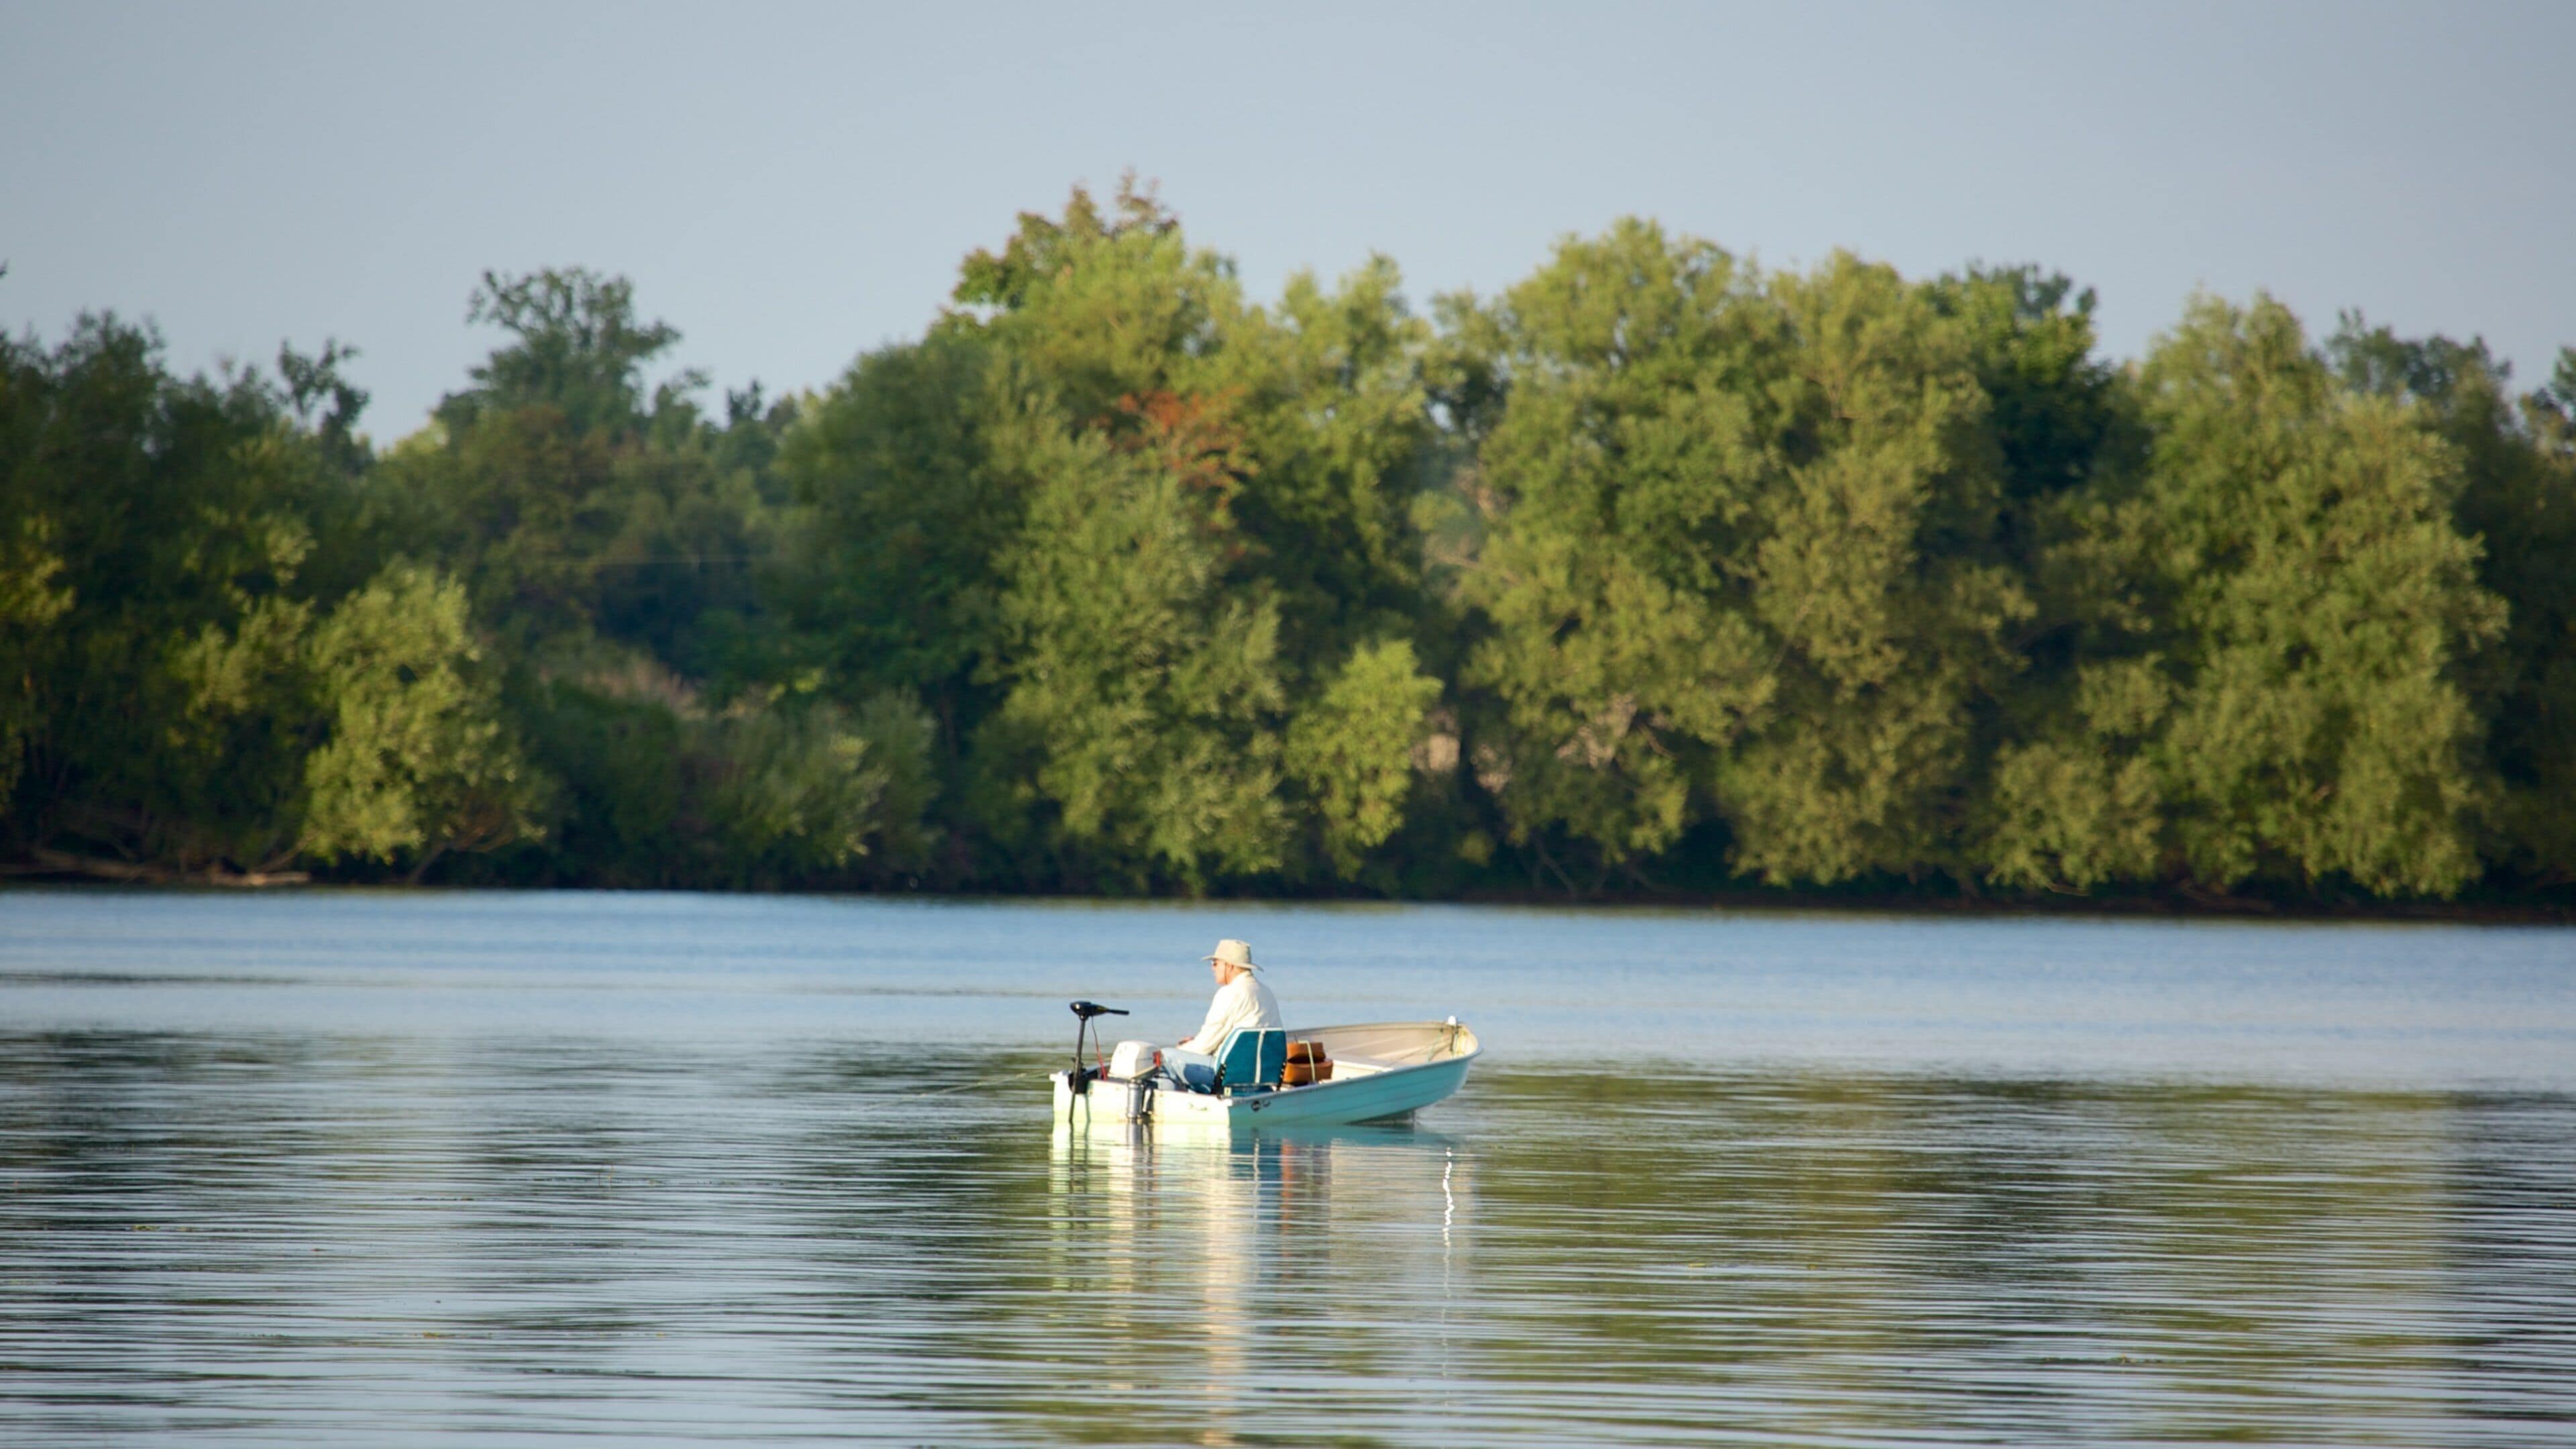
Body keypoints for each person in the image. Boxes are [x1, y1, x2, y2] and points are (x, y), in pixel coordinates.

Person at [1176, 938, 1282, 1055]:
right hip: (1265, 1068)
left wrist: (1180, 1049)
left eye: (1215, 963)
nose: (1212, 968)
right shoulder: (1267, 992)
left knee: (1166, 1058)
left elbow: (1203, 1048)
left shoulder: (1229, 993)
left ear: (1229, 966)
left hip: (1230, 1070)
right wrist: (1196, 1042)